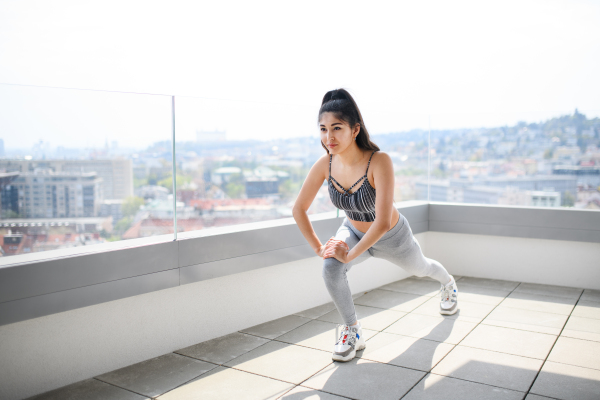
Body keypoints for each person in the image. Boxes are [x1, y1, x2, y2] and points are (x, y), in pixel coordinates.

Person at [292, 88, 459, 362]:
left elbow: (381, 222)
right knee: (331, 268)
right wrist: (321, 249)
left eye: (336, 128)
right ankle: (352, 330)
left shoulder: (379, 161)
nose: (328, 137)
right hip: (354, 231)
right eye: (322, 129)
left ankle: (448, 283)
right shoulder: (325, 164)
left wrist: (348, 254)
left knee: (421, 269)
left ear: (355, 129)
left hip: (392, 236)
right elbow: (298, 209)